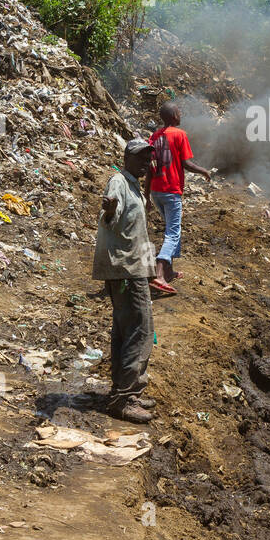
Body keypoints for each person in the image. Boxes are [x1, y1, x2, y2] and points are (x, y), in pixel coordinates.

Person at [94, 139, 161, 424]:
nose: (146, 163)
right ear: (126, 157)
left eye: (148, 158)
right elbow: (109, 216)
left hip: (132, 268)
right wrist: (109, 209)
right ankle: (124, 398)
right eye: (140, 158)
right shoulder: (119, 182)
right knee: (140, 331)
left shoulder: (133, 184)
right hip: (125, 270)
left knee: (126, 330)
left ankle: (125, 391)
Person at [147, 102, 213, 296]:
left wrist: (146, 196)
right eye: (180, 111)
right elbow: (186, 163)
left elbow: (150, 167)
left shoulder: (154, 136)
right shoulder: (179, 134)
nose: (181, 113)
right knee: (173, 233)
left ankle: (168, 271)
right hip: (171, 190)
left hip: (156, 191)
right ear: (175, 115)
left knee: (171, 228)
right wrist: (203, 171)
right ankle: (159, 275)